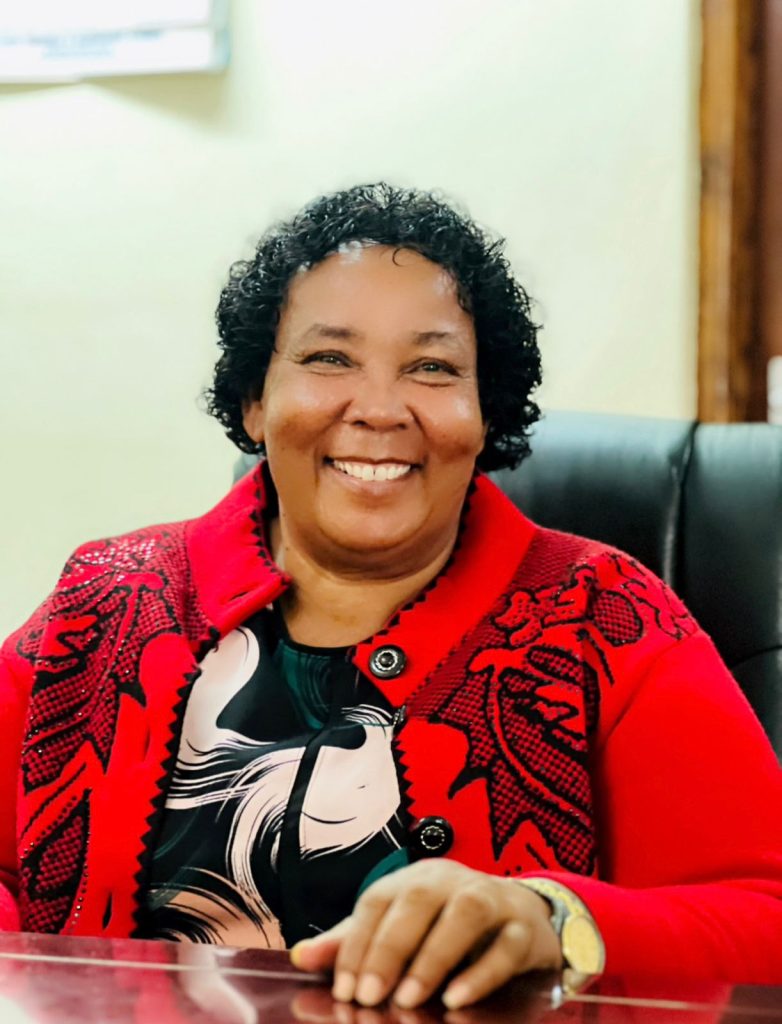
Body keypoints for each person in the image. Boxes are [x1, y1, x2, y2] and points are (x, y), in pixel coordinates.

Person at [1, 184, 780, 1010]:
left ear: (485, 413)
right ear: (256, 402)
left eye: (432, 368)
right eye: (328, 359)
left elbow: (764, 917)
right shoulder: (107, 598)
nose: (378, 409)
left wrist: (553, 919)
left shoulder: (607, 617)